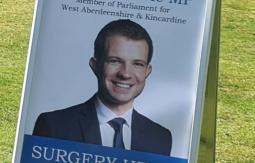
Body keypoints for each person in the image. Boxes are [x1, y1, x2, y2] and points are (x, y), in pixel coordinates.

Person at [32, 19, 172, 156]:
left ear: (147, 71)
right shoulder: (54, 127)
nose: (125, 74)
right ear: (95, 65)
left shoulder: (160, 138)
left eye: (137, 64)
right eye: (115, 61)